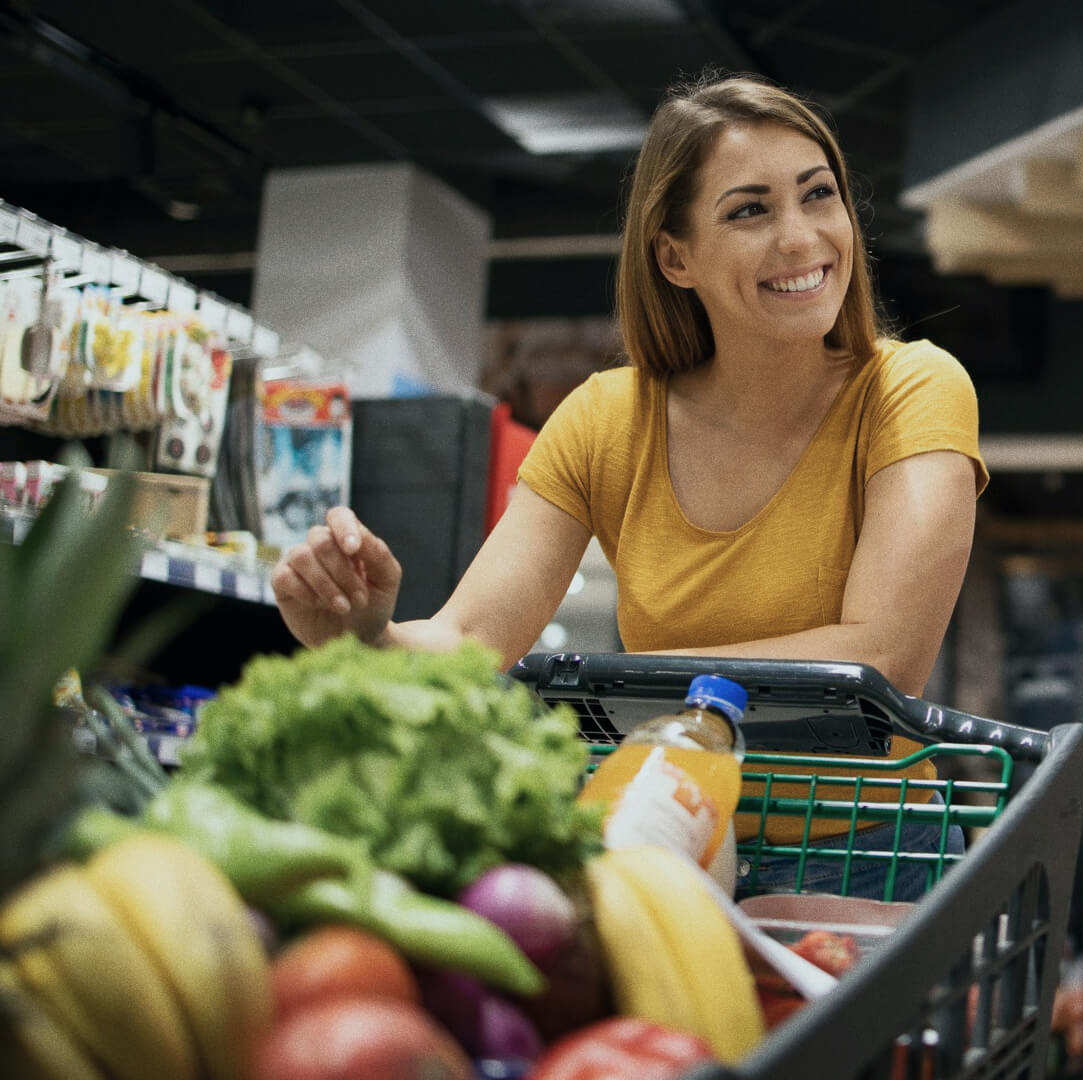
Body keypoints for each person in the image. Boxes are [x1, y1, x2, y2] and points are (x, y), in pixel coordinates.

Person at [269, 73, 988, 902]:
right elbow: (470, 635)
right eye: (750, 209)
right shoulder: (607, 419)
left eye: (818, 195)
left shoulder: (912, 388)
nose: (800, 238)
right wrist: (367, 638)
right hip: (666, 840)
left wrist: (609, 686)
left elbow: (882, 658)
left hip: (872, 851)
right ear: (674, 256)